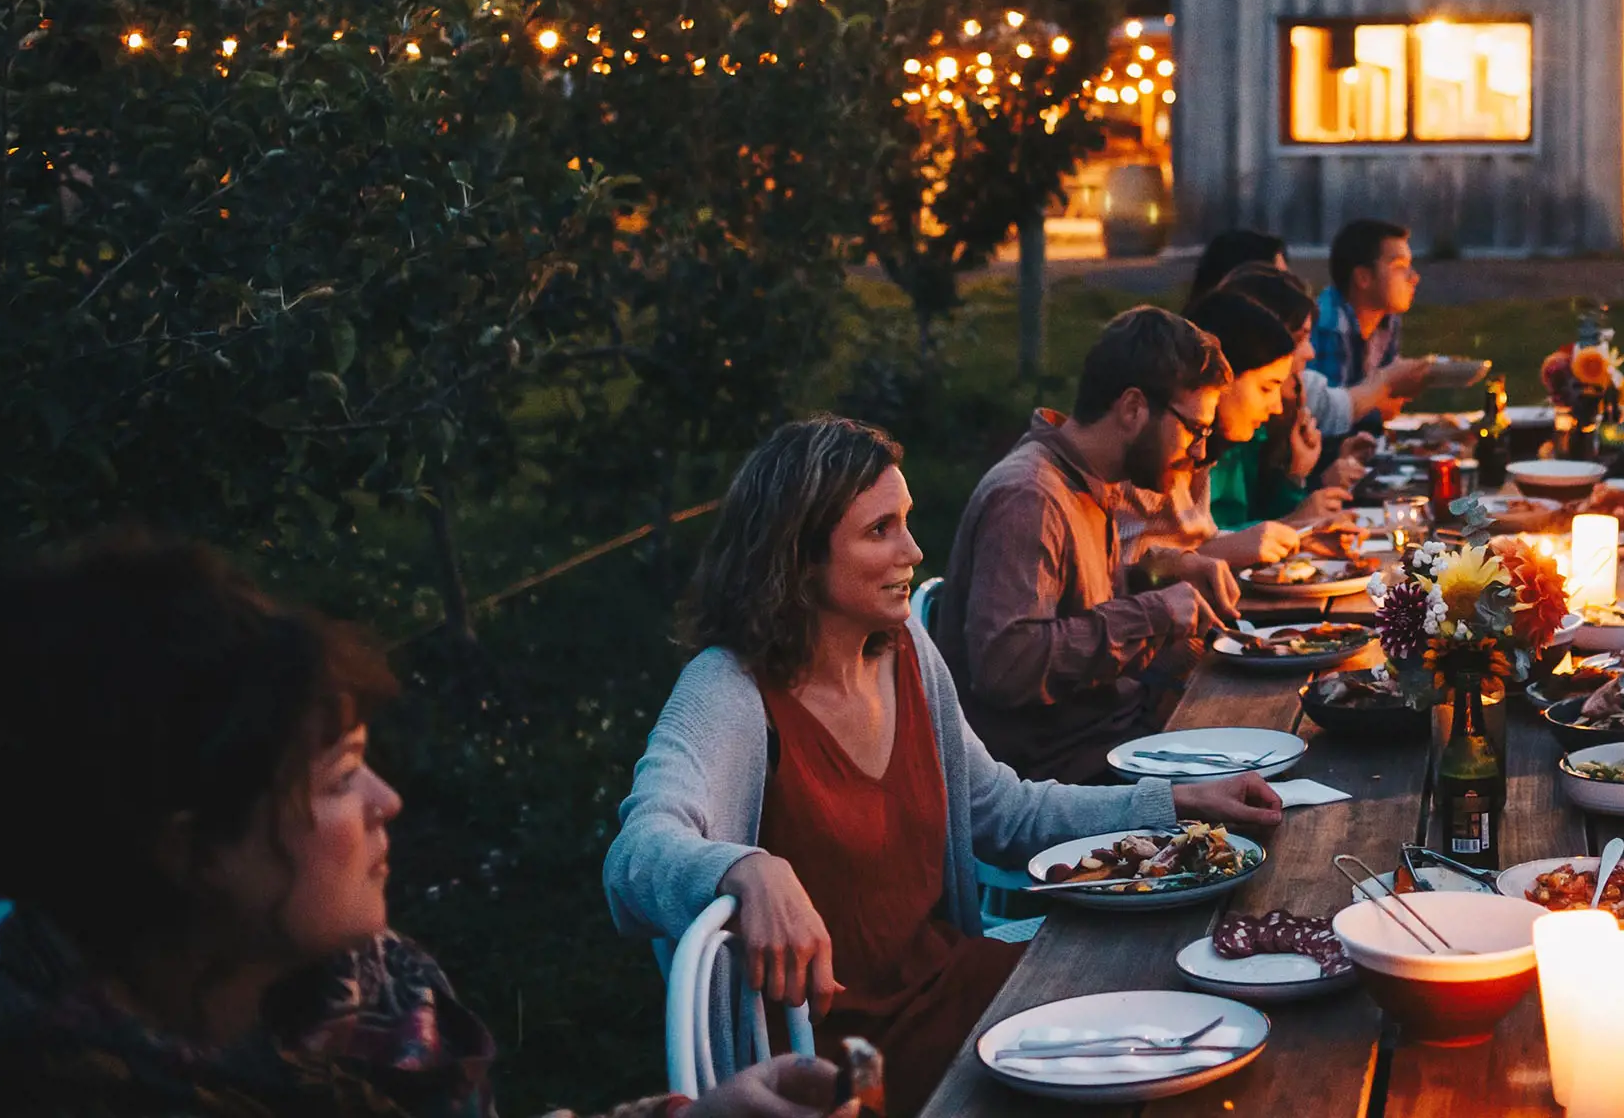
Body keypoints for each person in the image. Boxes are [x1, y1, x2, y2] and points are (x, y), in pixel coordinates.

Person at [0, 535, 852, 1118]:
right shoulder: (49, 1091)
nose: (386, 800)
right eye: (336, 778)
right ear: (192, 849)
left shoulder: (371, 1010)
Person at [610, 418, 1281, 1114]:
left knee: (1196, 994)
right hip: (843, 1065)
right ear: (798, 557)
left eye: (907, 521)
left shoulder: (901, 651)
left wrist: (1174, 803)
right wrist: (742, 869)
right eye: (880, 531)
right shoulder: (730, 689)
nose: (913, 549)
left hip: (956, 987)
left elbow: (1001, 808)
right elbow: (636, 854)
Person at [932, 307, 1246, 782]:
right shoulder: (1030, 497)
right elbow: (1006, 664)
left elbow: (1077, 607)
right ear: (1133, 408)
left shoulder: (1093, 483)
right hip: (1062, 775)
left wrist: (1167, 571)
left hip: (1116, 736)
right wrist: (1155, 613)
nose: (1201, 451)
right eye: (1195, 429)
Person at [1187, 290, 1357, 531]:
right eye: (1267, 388)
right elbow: (1198, 546)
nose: (1276, 406)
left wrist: (1296, 476)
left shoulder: (1229, 439)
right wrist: (1294, 525)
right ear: (1221, 374)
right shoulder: (1182, 451)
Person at [1309, 218, 1433, 426]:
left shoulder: (1387, 320)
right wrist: (1380, 400)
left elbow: (1389, 401)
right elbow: (1329, 416)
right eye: (1400, 266)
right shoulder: (1329, 323)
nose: (1414, 277)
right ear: (1363, 277)